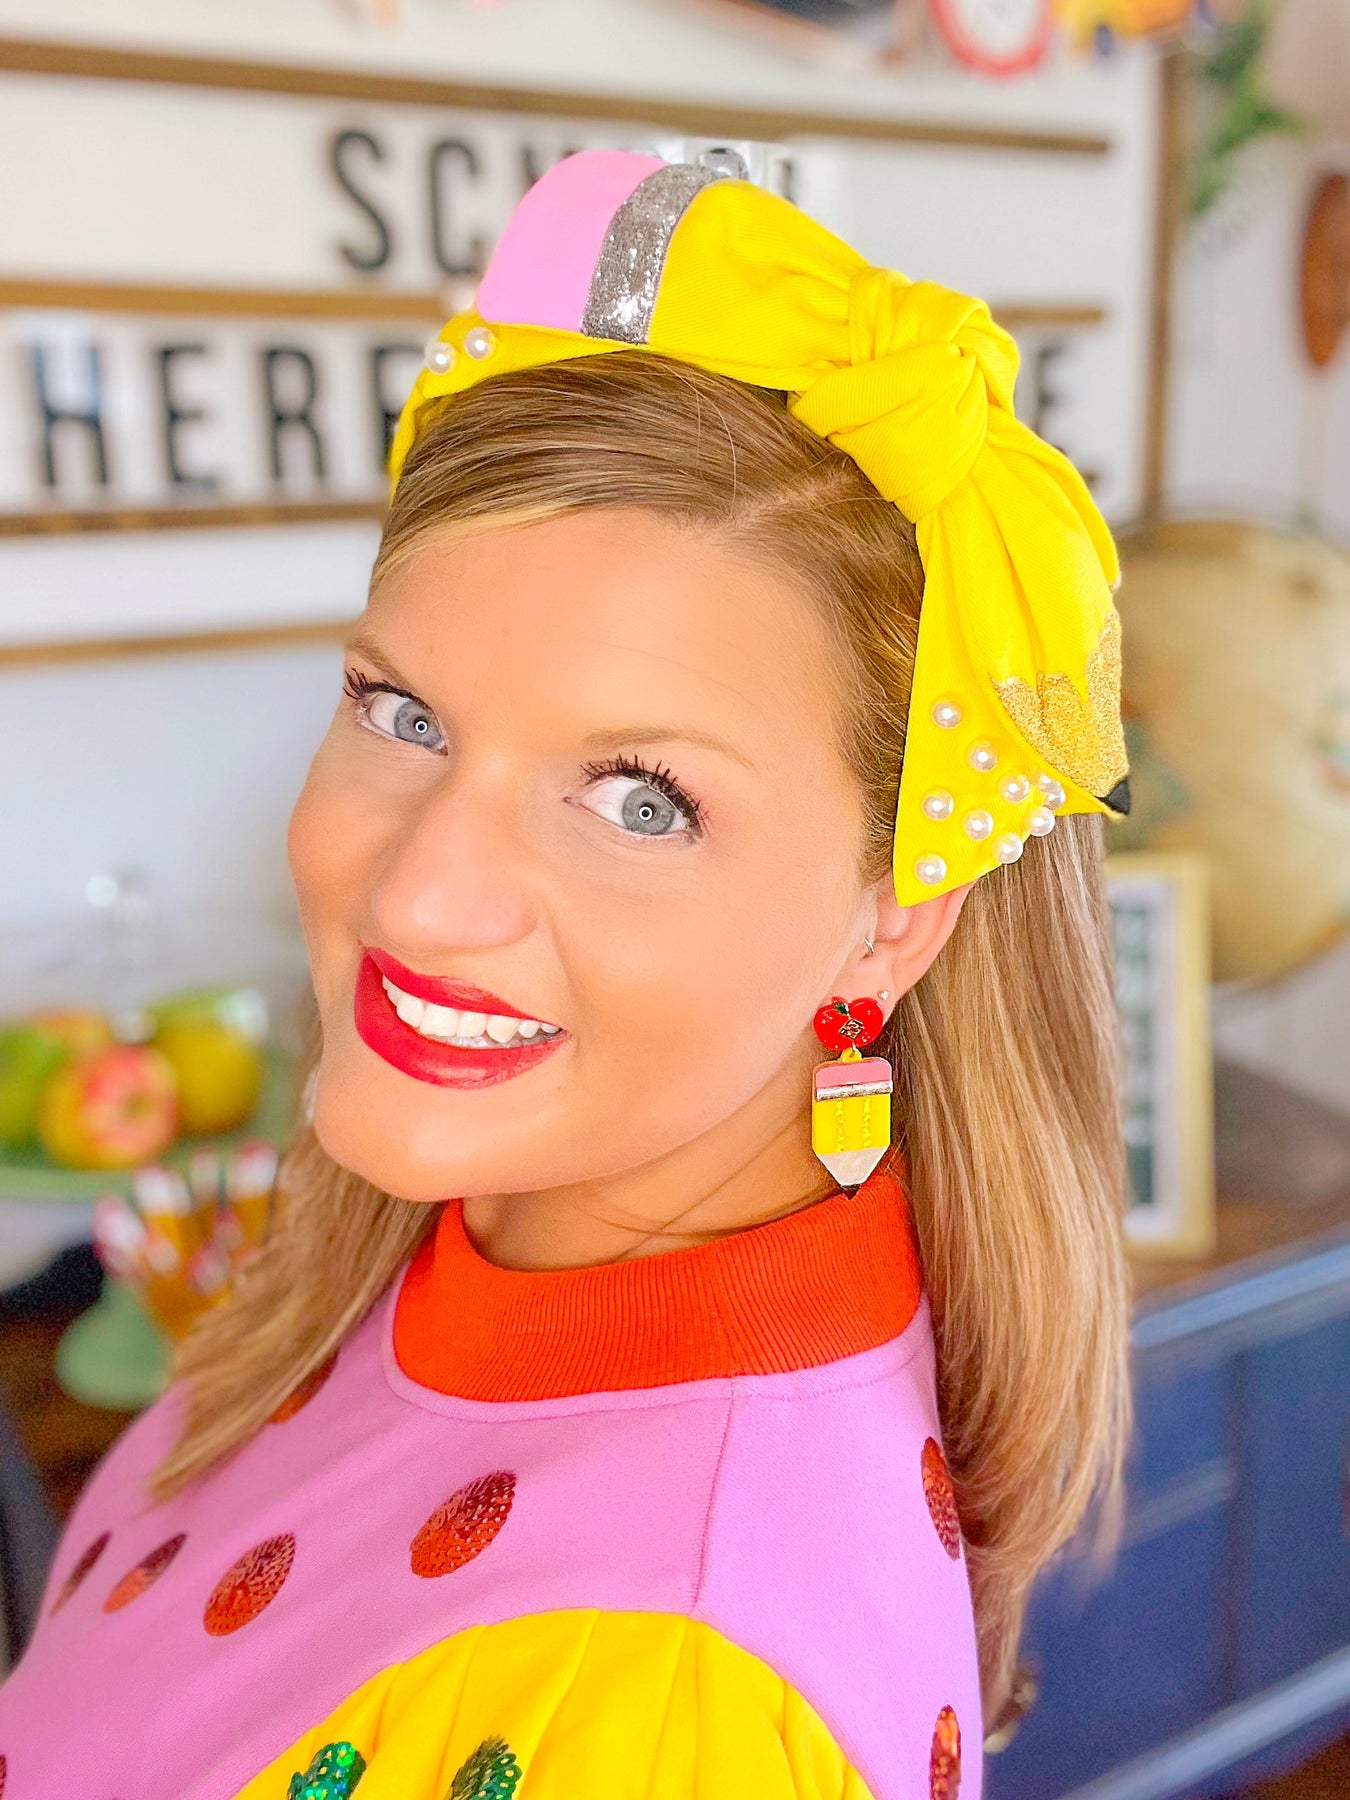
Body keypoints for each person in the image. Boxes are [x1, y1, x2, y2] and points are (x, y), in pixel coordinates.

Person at [0, 149, 1131, 1800]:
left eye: (640, 800)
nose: (420, 893)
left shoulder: (658, 1707)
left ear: (894, 922)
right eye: (401, 712)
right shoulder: (435, 1242)